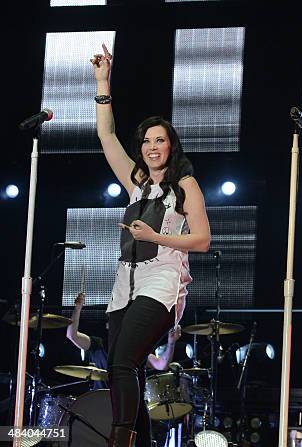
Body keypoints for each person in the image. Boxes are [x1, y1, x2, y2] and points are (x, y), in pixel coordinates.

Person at [91, 44, 211, 447]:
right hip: (125, 282)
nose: (151, 147)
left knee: (124, 361)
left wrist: (155, 236)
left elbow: (202, 239)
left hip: (163, 282)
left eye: (159, 140)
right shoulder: (137, 181)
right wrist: (103, 82)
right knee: (125, 367)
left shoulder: (185, 186)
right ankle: (141, 442)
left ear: (171, 146)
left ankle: (118, 439)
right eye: (146, 141)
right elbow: (106, 135)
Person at [66, 292, 183, 390]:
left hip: (125, 403)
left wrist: (171, 343)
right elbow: (72, 335)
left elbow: (161, 365)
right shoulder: (98, 344)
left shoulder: (134, 348)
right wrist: (78, 307)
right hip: (100, 401)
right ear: (108, 326)